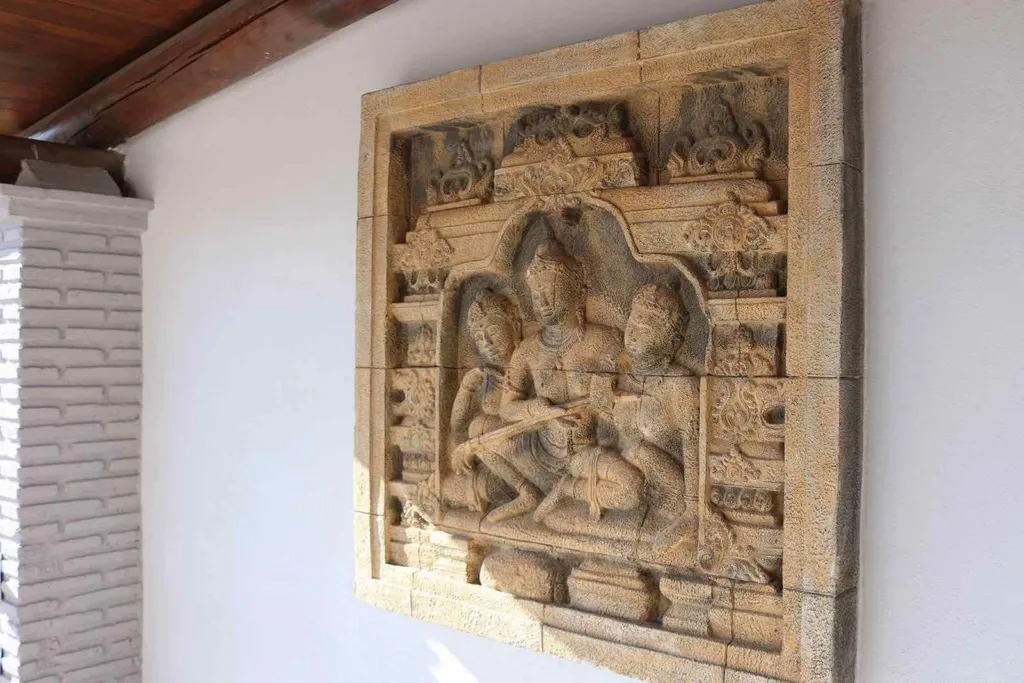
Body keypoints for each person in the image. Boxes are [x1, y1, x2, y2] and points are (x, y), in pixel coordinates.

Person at [499, 238, 643, 524]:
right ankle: (530, 491)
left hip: (586, 454)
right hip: (538, 454)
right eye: (536, 293)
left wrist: (608, 403)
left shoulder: (608, 342)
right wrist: (535, 410)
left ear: (577, 290)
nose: (542, 301)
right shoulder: (526, 352)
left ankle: (567, 489)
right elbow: (506, 409)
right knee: (486, 436)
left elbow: (636, 405)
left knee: (632, 489)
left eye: (550, 291)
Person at [617, 283, 693, 547]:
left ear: (670, 341)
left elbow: (694, 448)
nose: (633, 333)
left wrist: (694, 510)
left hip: (672, 492)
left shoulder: (679, 384)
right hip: (622, 482)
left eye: (647, 326)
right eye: (633, 321)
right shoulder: (618, 377)